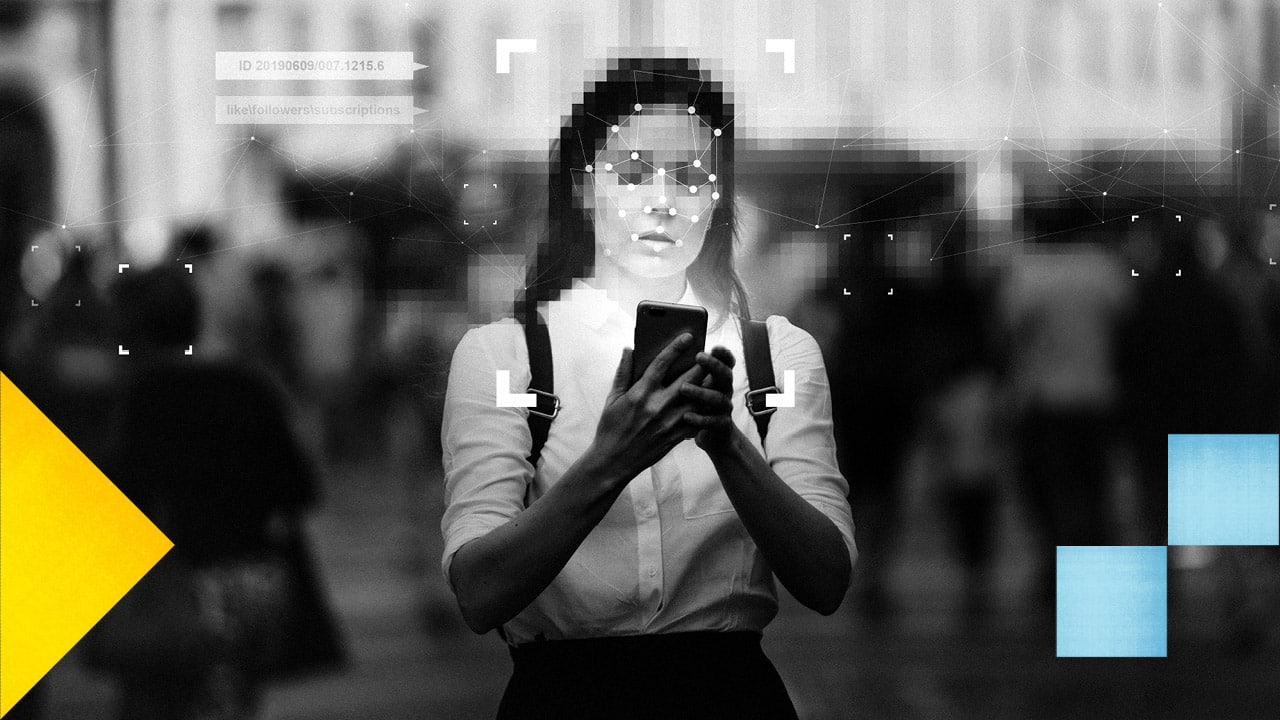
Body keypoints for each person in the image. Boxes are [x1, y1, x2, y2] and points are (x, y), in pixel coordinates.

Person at [440, 57, 857, 718]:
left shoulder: (776, 356)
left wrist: (726, 445)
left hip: (729, 697)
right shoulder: (506, 357)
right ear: (584, 186)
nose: (663, 200)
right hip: (564, 698)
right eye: (632, 173)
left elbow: (827, 579)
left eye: (691, 176)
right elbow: (479, 592)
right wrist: (612, 458)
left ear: (717, 195)